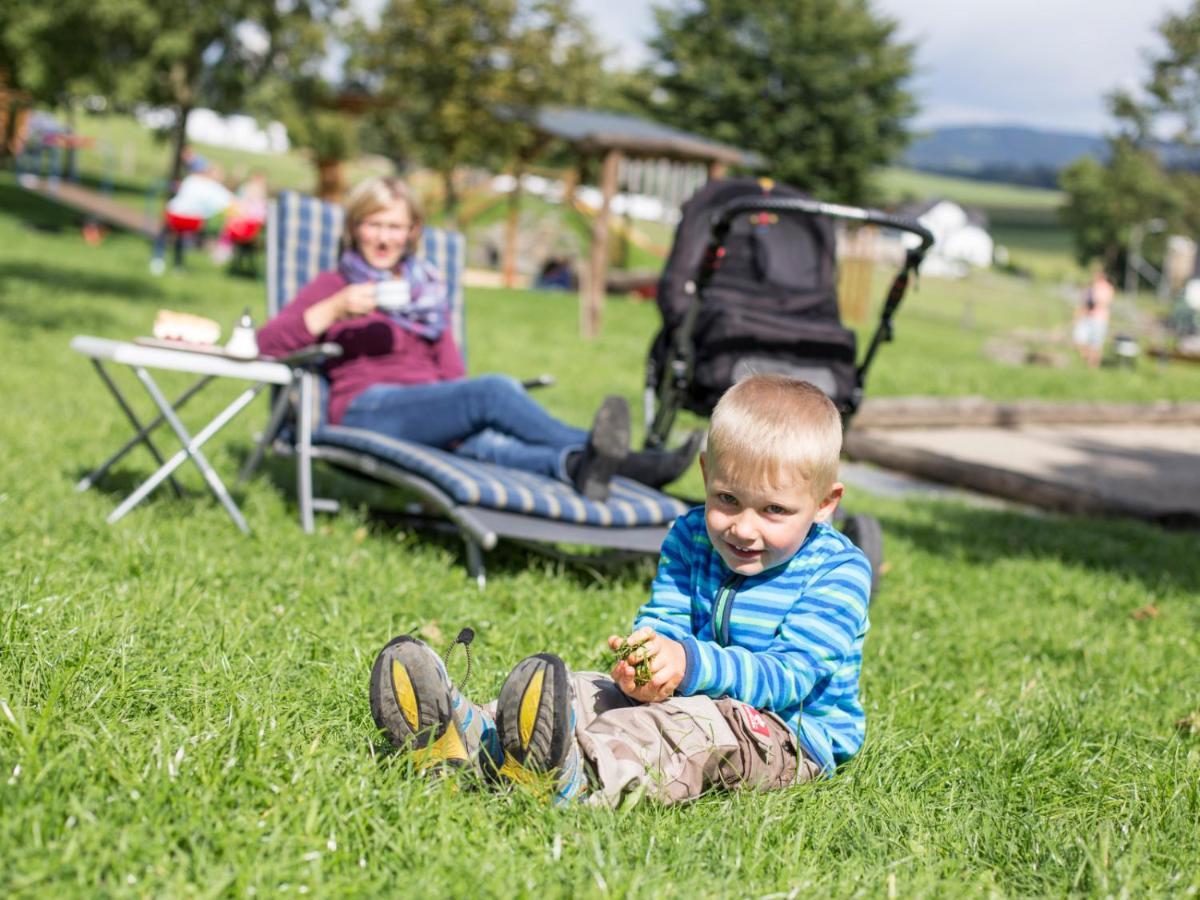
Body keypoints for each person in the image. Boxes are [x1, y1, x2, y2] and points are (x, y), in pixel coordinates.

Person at [369, 374, 872, 806]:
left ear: (825, 503)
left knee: (679, 727)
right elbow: (665, 618)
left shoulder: (838, 572)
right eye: (727, 498)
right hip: (693, 686)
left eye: (774, 511)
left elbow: (791, 676)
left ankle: (576, 776)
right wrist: (645, 661)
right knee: (589, 690)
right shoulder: (692, 534)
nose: (743, 528)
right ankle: (471, 735)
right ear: (705, 474)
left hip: (783, 733)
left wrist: (690, 664)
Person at [257, 175, 698, 500]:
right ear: (354, 228)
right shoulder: (335, 284)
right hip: (365, 410)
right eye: (374, 225)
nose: (384, 238)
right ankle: (631, 462)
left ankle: (583, 465)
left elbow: (452, 375)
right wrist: (334, 309)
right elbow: (265, 346)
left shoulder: (427, 291)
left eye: (395, 227)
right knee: (492, 392)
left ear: (413, 232)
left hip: (426, 409)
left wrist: (451, 413)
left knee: (489, 444)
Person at [149, 162, 234, 274]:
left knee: (164, 234)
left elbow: (181, 194)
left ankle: (158, 259)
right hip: (193, 221)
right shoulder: (217, 190)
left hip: (176, 215)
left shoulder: (192, 180)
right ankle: (178, 266)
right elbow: (231, 202)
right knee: (180, 238)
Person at [1073, 267, 1114, 368]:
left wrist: (1091, 306)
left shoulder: (1106, 288)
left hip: (1098, 318)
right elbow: (1083, 302)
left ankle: (1093, 364)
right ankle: (1088, 359)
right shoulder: (1090, 287)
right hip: (1087, 317)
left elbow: (1102, 303)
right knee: (1079, 340)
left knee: (1096, 343)